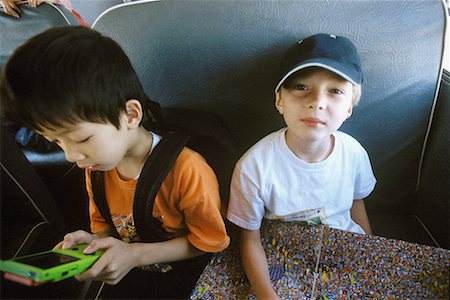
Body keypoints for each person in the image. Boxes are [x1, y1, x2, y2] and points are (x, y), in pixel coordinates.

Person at [0, 26, 230, 299]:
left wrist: (135, 254)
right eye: (57, 143)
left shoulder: (188, 170)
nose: (72, 156)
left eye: (82, 139)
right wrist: (94, 243)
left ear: (131, 115)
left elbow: (208, 242)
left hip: (186, 272)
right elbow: (106, 226)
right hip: (136, 264)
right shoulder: (97, 168)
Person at [226, 33, 376, 299]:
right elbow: (249, 238)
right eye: (301, 87)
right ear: (279, 100)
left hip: (341, 249)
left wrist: (368, 255)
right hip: (282, 258)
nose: (317, 101)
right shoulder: (254, 166)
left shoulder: (353, 152)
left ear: (349, 109)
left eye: (335, 91)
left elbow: (357, 203)